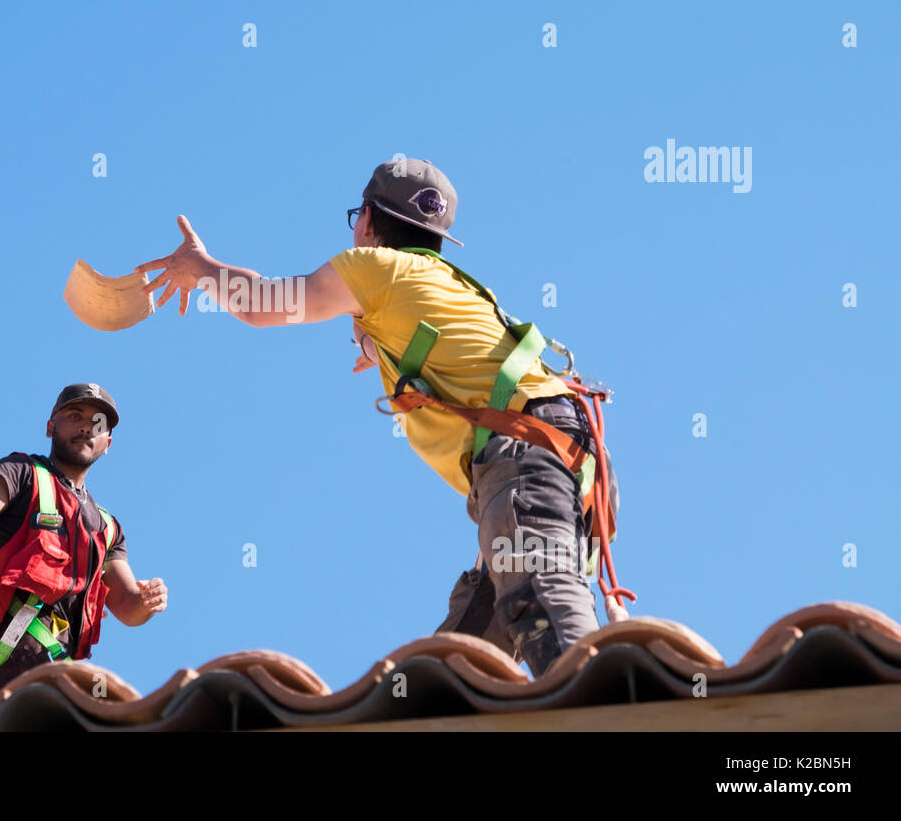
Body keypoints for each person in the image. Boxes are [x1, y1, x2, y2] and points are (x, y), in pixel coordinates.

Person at [134, 159, 618, 677]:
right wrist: (373, 342)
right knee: (464, 665)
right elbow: (428, 337)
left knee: (541, 602)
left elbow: (260, 302)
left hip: (525, 461)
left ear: (366, 220)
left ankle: (602, 712)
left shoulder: (374, 269)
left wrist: (198, 267)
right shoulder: (449, 283)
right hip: (560, 462)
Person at [0, 383, 167, 694]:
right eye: (75, 416)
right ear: (51, 427)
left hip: (57, 660)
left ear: (108, 443)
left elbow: (127, 605)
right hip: (18, 640)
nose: (87, 427)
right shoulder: (22, 473)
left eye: (97, 423)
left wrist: (146, 601)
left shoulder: (108, 529)